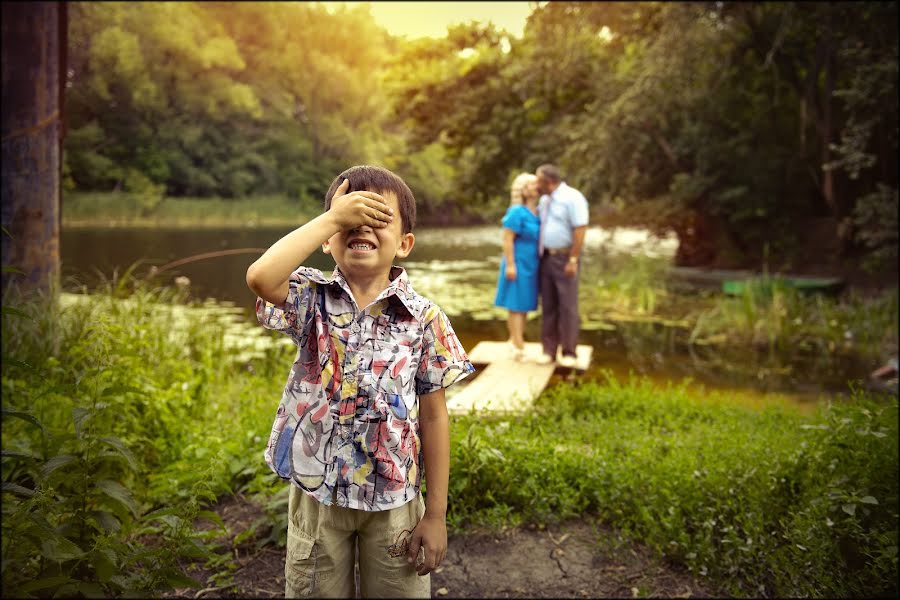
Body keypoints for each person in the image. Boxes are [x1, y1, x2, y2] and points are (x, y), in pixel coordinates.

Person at [246, 165, 474, 598]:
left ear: (404, 244)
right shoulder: (311, 299)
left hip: (396, 500)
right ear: (329, 241)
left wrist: (437, 514)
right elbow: (260, 278)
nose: (361, 227)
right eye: (350, 219)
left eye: (378, 218)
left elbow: (434, 417)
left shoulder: (424, 319)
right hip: (318, 496)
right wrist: (332, 217)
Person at [534, 164, 589, 368]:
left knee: (567, 306)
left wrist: (573, 259)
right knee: (548, 305)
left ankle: (569, 352)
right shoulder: (545, 200)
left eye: (538, 180)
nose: (536, 184)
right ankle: (548, 350)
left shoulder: (573, 198)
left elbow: (580, 229)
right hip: (546, 257)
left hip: (565, 257)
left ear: (549, 180)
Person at [493, 172, 541, 361]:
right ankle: (518, 345)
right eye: (531, 184)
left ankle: (515, 340)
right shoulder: (516, 212)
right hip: (518, 263)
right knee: (516, 305)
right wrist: (511, 265)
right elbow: (507, 239)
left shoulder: (536, 211)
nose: (536, 187)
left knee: (526, 304)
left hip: (532, 264)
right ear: (523, 189)